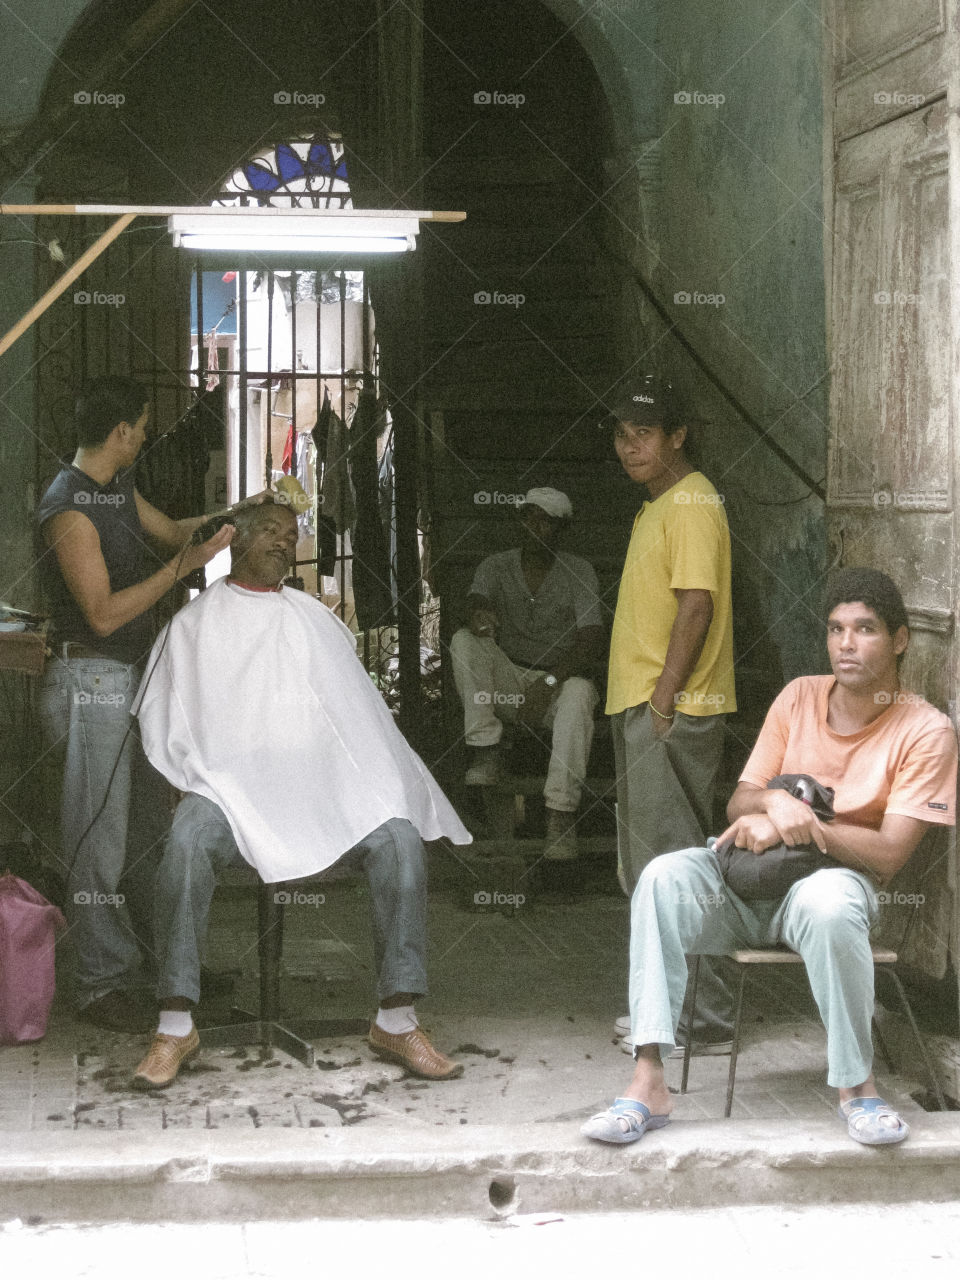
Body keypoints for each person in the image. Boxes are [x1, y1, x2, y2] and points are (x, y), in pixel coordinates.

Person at [583, 568, 957, 1148]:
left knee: (831, 907)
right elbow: (740, 798)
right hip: (743, 883)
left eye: (865, 629)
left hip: (829, 888)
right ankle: (648, 1080)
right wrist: (773, 805)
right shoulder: (799, 695)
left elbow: (888, 854)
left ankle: (857, 1089)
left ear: (901, 640)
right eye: (836, 629)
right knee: (660, 877)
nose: (846, 644)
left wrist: (805, 826)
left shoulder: (926, 730)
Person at [129, 499, 472, 1088]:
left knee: (398, 838)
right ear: (234, 539)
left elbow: (362, 723)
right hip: (229, 798)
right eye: (269, 531)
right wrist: (188, 782)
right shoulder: (191, 625)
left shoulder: (315, 619)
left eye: (291, 536)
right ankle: (175, 1024)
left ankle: (397, 1017)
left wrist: (380, 786)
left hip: (320, 791)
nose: (284, 543)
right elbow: (164, 718)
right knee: (185, 843)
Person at [36, 376, 232, 1032]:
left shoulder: (115, 489)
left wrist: (236, 517)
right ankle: (100, 984)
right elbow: (100, 613)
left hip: (130, 684)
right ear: (121, 431)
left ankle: (163, 967)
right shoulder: (68, 506)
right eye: (142, 425)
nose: (146, 435)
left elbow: (175, 531)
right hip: (91, 685)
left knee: (149, 834)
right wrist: (184, 568)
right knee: (98, 845)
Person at [605, 375, 737, 1052]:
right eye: (623, 435)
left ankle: (703, 1019)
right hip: (648, 705)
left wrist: (663, 698)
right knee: (652, 868)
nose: (630, 448)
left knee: (676, 867)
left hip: (672, 709)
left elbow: (697, 604)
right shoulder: (657, 505)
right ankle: (672, 1008)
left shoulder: (690, 501)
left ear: (677, 436)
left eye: (645, 434)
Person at [449, 487, 604, 860]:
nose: (535, 527)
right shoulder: (496, 565)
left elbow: (592, 638)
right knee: (464, 641)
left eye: (546, 521)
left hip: (558, 680)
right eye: (529, 517)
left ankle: (560, 816)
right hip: (508, 678)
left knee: (581, 694)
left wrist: (549, 683)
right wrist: (478, 614)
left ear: (561, 528)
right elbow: (475, 599)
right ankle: (486, 750)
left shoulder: (578, 570)